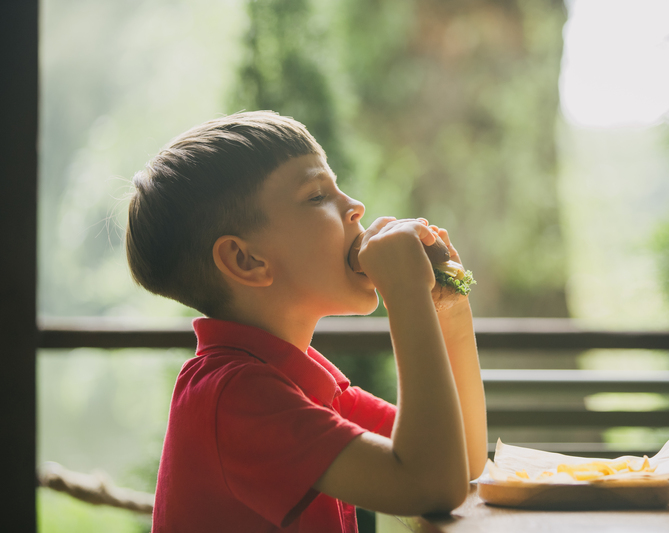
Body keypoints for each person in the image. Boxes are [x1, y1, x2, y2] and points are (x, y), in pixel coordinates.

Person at [125, 110, 487, 532]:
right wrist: (405, 295)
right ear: (246, 260)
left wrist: (449, 305)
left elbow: (462, 459)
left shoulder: (297, 376)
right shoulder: (232, 396)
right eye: (317, 196)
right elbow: (429, 485)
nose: (355, 206)